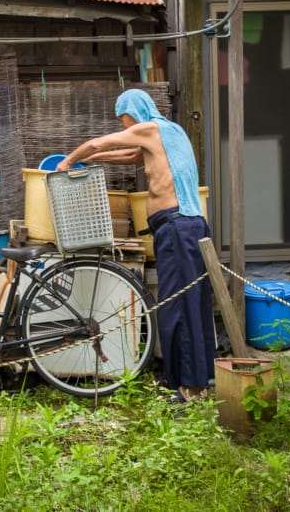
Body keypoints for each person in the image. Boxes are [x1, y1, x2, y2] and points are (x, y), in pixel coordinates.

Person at [57, 88, 214, 402]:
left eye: (123, 117)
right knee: (188, 303)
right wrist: (92, 159)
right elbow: (128, 155)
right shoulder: (167, 133)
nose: (123, 126)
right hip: (184, 226)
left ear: (135, 111)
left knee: (179, 305)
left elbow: (99, 142)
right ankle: (192, 380)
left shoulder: (152, 128)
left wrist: (69, 161)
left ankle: (190, 388)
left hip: (178, 226)